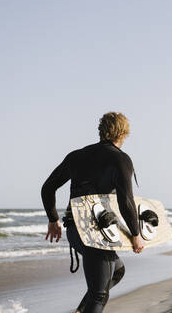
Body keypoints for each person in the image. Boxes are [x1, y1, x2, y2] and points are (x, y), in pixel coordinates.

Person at [41, 112, 145, 313]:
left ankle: (79, 311)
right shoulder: (120, 159)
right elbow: (126, 201)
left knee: (117, 270)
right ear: (124, 133)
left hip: (74, 231)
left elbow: (47, 188)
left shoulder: (76, 156)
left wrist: (53, 220)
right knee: (99, 294)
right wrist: (135, 234)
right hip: (96, 234)